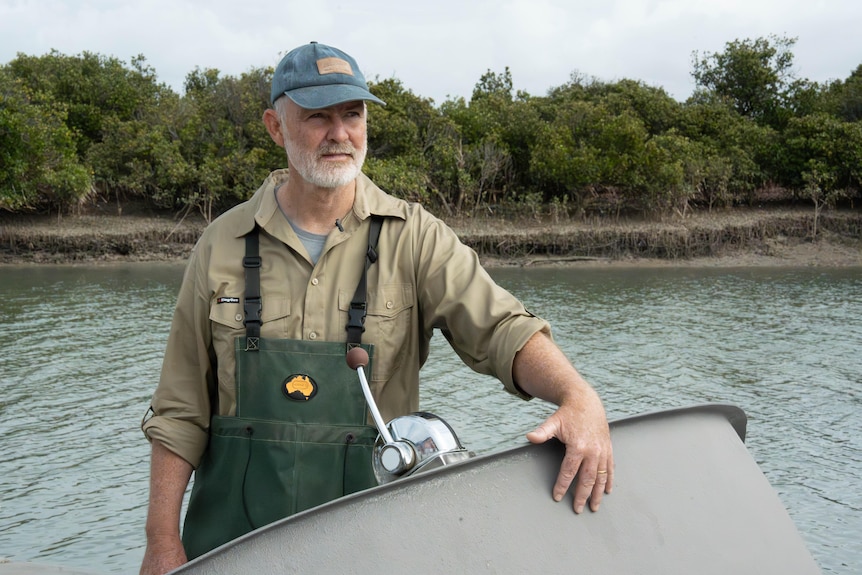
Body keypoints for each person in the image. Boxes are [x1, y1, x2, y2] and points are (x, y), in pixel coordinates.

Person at [139, 41, 614, 575]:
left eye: (352, 114)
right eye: (317, 116)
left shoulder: (417, 238)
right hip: (231, 551)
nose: (339, 133)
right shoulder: (220, 243)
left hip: (372, 552)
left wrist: (577, 394)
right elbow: (179, 412)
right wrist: (162, 542)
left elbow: (502, 330)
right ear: (276, 127)